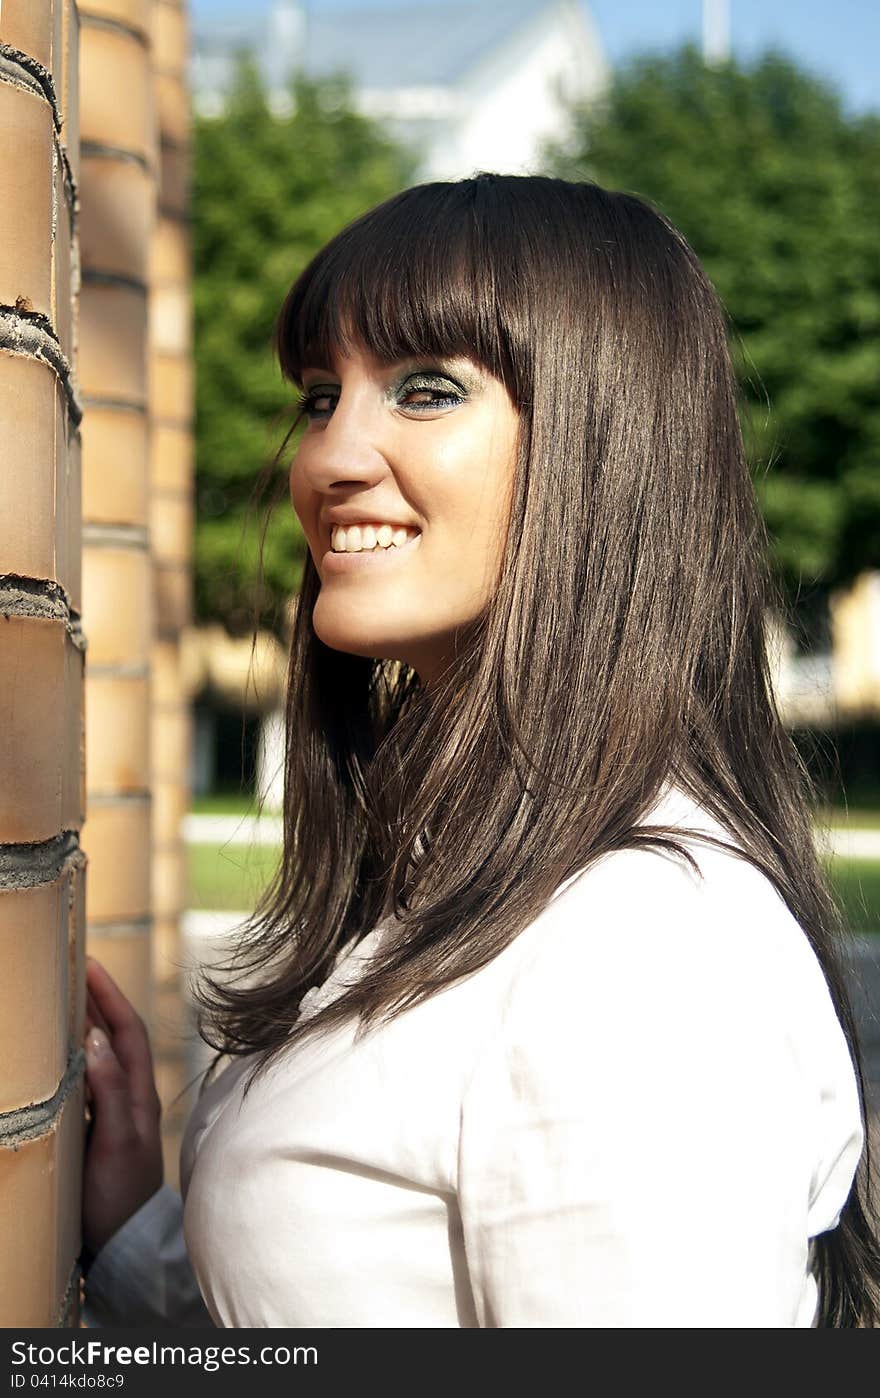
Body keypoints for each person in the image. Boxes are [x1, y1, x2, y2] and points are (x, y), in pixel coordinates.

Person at [81, 173, 880, 1328]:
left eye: (424, 389)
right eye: (319, 395)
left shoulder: (641, 956)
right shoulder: (461, 863)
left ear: (602, 451)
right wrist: (139, 1241)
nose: (329, 459)